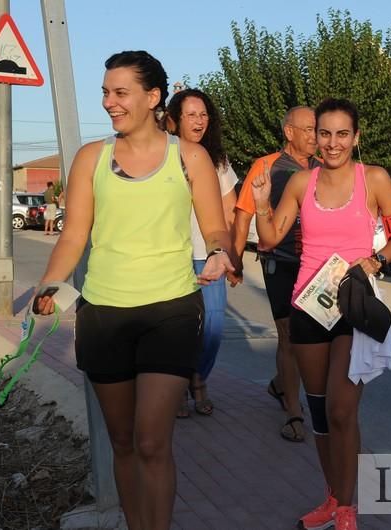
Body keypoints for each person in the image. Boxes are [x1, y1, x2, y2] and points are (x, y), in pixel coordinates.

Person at [33, 50, 233, 530]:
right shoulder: (91, 158)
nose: (109, 102)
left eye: (120, 92)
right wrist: (50, 284)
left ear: (152, 97)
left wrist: (221, 252)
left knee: (150, 441)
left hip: (171, 310)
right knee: (122, 441)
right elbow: (74, 235)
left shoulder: (189, 156)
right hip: (104, 313)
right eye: (106, 92)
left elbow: (215, 229)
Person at [252, 98, 391, 530]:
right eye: (325, 133)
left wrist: (374, 262)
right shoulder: (302, 182)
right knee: (320, 414)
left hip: (352, 304)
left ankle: (347, 507)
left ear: (355, 137)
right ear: (314, 136)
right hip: (308, 306)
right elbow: (269, 239)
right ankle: (332, 497)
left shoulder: (373, 179)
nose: (333, 143)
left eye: (342, 134)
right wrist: (264, 202)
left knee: (342, 410)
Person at [233, 106, 320, 442]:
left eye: (317, 129)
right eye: (309, 129)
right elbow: (243, 215)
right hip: (280, 261)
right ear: (289, 132)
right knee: (288, 333)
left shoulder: (323, 167)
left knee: (308, 334)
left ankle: (280, 384)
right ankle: (293, 411)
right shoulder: (266, 166)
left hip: (315, 264)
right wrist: (236, 259)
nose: (315, 136)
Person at [166, 88, 238, 417]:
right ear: (175, 120)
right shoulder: (162, 157)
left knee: (212, 328)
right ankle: (179, 387)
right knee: (176, 329)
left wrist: (230, 256)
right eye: (192, 114)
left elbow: (230, 211)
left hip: (208, 255)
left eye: (204, 113)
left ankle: (198, 379)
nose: (200, 120)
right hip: (172, 256)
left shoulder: (218, 161)